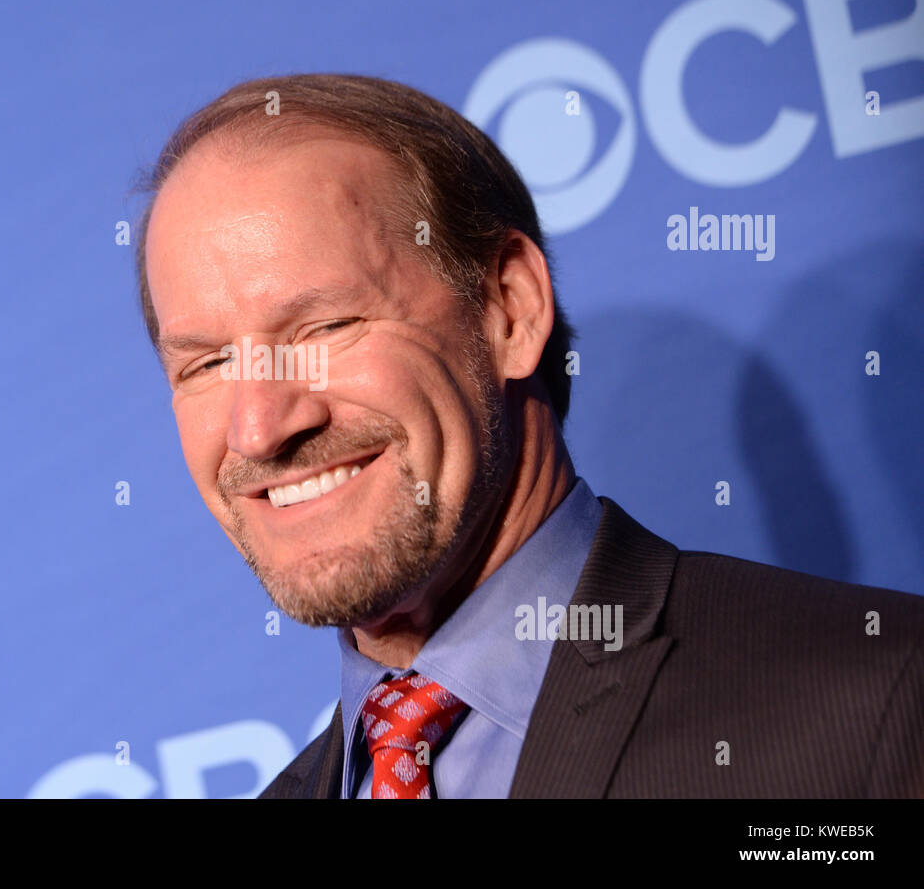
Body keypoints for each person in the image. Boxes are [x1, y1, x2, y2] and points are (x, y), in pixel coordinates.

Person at [132, 73, 924, 798]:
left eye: (326, 326)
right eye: (207, 364)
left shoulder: (873, 701)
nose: (259, 427)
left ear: (510, 310)